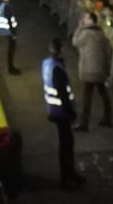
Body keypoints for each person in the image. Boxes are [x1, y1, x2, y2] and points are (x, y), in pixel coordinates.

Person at [43, 38, 83, 188]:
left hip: (54, 110)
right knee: (66, 145)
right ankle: (66, 178)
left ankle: (69, 175)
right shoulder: (58, 69)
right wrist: (71, 112)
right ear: (60, 51)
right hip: (62, 112)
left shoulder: (47, 64)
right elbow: (63, 94)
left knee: (66, 143)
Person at [71, 13, 113, 130]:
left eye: (85, 18)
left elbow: (75, 41)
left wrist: (79, 27)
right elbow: (108, 51)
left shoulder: (86, 34)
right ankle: (107, 117)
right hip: (101, 69)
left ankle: (84, 123)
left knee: (87, 95)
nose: (83, 19)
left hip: (89, 69)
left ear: (91, 20)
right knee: (103, 92)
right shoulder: (102, 34)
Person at [0, 0, 20, 74]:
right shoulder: (7, 7)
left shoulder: (1, 5)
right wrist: (14, 34)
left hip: (5, 31)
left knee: (10, 50)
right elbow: (9, 21)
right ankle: (11, 69)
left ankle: (11, 68)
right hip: (9, 32)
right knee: (11, 50)